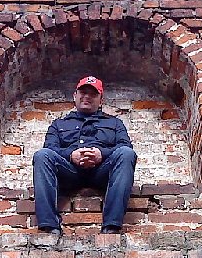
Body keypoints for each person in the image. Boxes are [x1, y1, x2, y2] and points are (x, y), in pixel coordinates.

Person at [32, 76, 137, 236]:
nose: (87, 96)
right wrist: (71, 155)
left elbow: (125, 146)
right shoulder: (58, 124)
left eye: (93, 94)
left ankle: (111, 226)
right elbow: (50, 148)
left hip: (102, 171)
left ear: (101, 100)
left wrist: (101, 154)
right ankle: (49, 226)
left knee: (126, 153)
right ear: (75, 95)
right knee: (42, 155)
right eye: (83, 92)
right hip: (69, 171)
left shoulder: (115, 123)